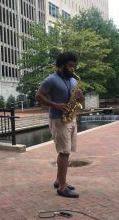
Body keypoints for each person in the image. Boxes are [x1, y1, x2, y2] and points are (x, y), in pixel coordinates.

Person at [36, 51, 82, 198]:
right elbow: (38, 96)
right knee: (64, 152)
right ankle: (62, 188)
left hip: (70, 118)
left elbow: (79, 101)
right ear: (61, 65)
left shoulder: (73, 81)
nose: (72, 69)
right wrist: (56, 105)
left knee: (66, 152)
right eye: (69, 66)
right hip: (58, 119)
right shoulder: (51, 79)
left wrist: (80, 98)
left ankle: (59, 180)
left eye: (74, 66)